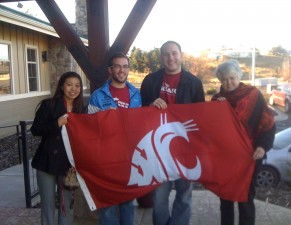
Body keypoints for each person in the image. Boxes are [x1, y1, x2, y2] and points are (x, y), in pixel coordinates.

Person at [140, 40, 205, 225]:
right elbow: (139, 112)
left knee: (184, 195)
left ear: (181, 55)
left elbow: (201, 117)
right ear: (161, 58)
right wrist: (150, 106)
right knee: (159, 197)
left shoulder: (194, 83)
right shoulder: (150, 81)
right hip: (158, 147)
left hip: (186, 147)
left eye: (174, 53)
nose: (171, 58)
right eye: (166, 54)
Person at [211, 59, 276, 225]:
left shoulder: (253, 94)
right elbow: (211, 129)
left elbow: (268, 121)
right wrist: (216, 110)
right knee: (225, 197)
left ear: (239, 76)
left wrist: (263, 146)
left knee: (245, 197)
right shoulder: (217, 100)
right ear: (220, 80)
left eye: (232, 77)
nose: (228, 82)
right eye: (224, 79)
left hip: (250, 156)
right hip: (225, 158)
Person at [87, 52, 141, 225]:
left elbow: (143, 122)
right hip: (106, 157)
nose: (121, 70)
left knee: (128, 202)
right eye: (117, 66)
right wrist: (104, 118)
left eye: (125, 66)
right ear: (110, 70)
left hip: (129, 156)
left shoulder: (136, 94)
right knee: (108, 204)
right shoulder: (98, 95)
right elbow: (89, 127)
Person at [31, 71, 85, 225]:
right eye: (69, 85)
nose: (73, 89)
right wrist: (56, 123)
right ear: (62, 86)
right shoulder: (49, 104)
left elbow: (83, 139)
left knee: (65, 206)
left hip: (68, 166)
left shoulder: (81, 109)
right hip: (46, 162)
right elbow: (36, 130)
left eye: (77, 85)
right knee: (47, 206)